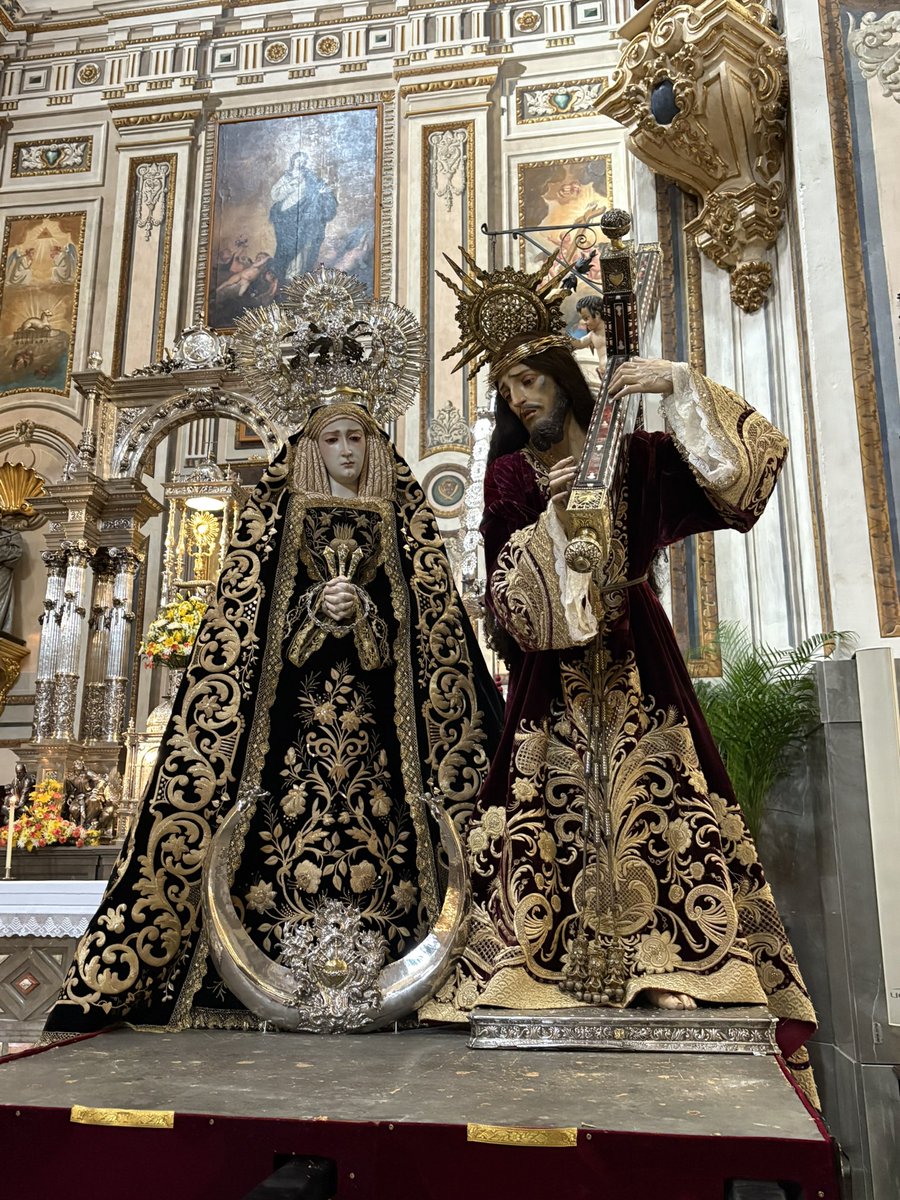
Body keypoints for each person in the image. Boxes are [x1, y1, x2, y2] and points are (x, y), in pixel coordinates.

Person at [44, 276, 502, 1038]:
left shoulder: (407, 516)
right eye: (333, 438)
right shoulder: (272, 518)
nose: (349, 451)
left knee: (390, 836)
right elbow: (243, 638)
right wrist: (308, 615)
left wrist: (369, 621)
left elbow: (437, 640)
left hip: (388, 744)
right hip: (285, 734)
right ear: (311, 444)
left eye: (358, 436)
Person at [424, 326, 818, 1102]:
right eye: (507, 390)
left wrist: (675, 383)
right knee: (551, 814)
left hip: (640, 661)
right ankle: (542, 967)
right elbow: (506, 600)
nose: (521, 398)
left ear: (566, 382)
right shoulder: (510, 476)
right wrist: (558, 519)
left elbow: (745, 478)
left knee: (663, 805)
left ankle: (677, 962)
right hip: (554, 680)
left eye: (531, 380)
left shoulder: (633, 459)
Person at [269, 151, 338, 286]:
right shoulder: (287, 177)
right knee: (288, 244)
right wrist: (292, 184)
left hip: (305, 216)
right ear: (293, 161)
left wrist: (322, 193)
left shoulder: (310, 177)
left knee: (303, 245)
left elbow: (319, 189)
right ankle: (287, 275)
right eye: (298, 160)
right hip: (287, 217)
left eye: (303, 160)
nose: (301, 163)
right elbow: (275, 195)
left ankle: (296, 276)